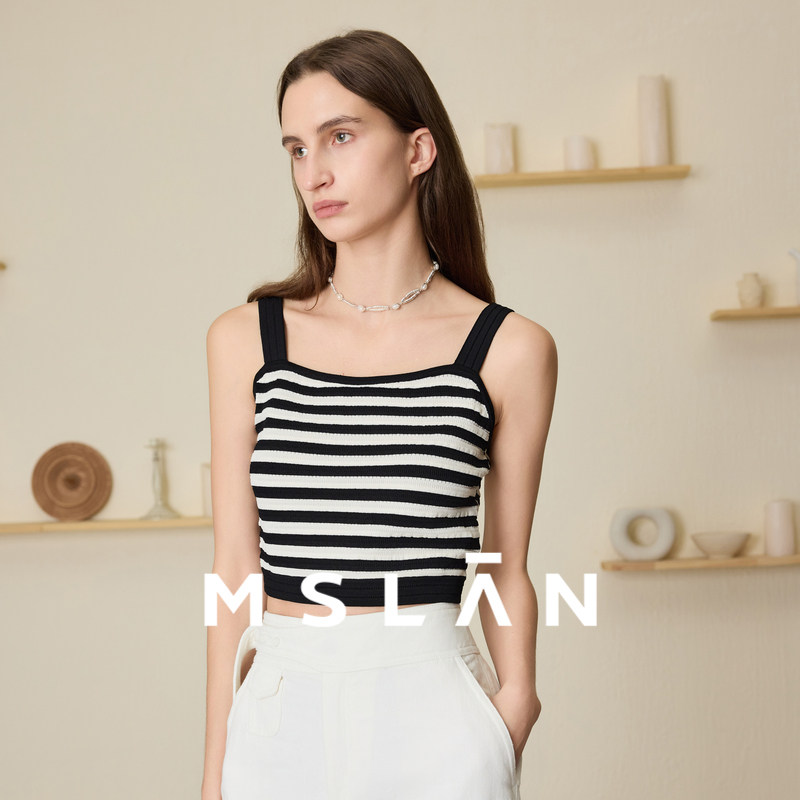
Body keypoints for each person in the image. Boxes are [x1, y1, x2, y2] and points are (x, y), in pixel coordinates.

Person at [201, 28, 557, 800]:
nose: (315, 172)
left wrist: (516, 707)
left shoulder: (509, 349)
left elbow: (503, 562)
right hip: (279, 710)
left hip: (435, 706)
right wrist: (214, 770)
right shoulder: (246, 339)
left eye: (341, 136)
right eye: (297, 149)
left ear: (418, 150)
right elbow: (233, 569)